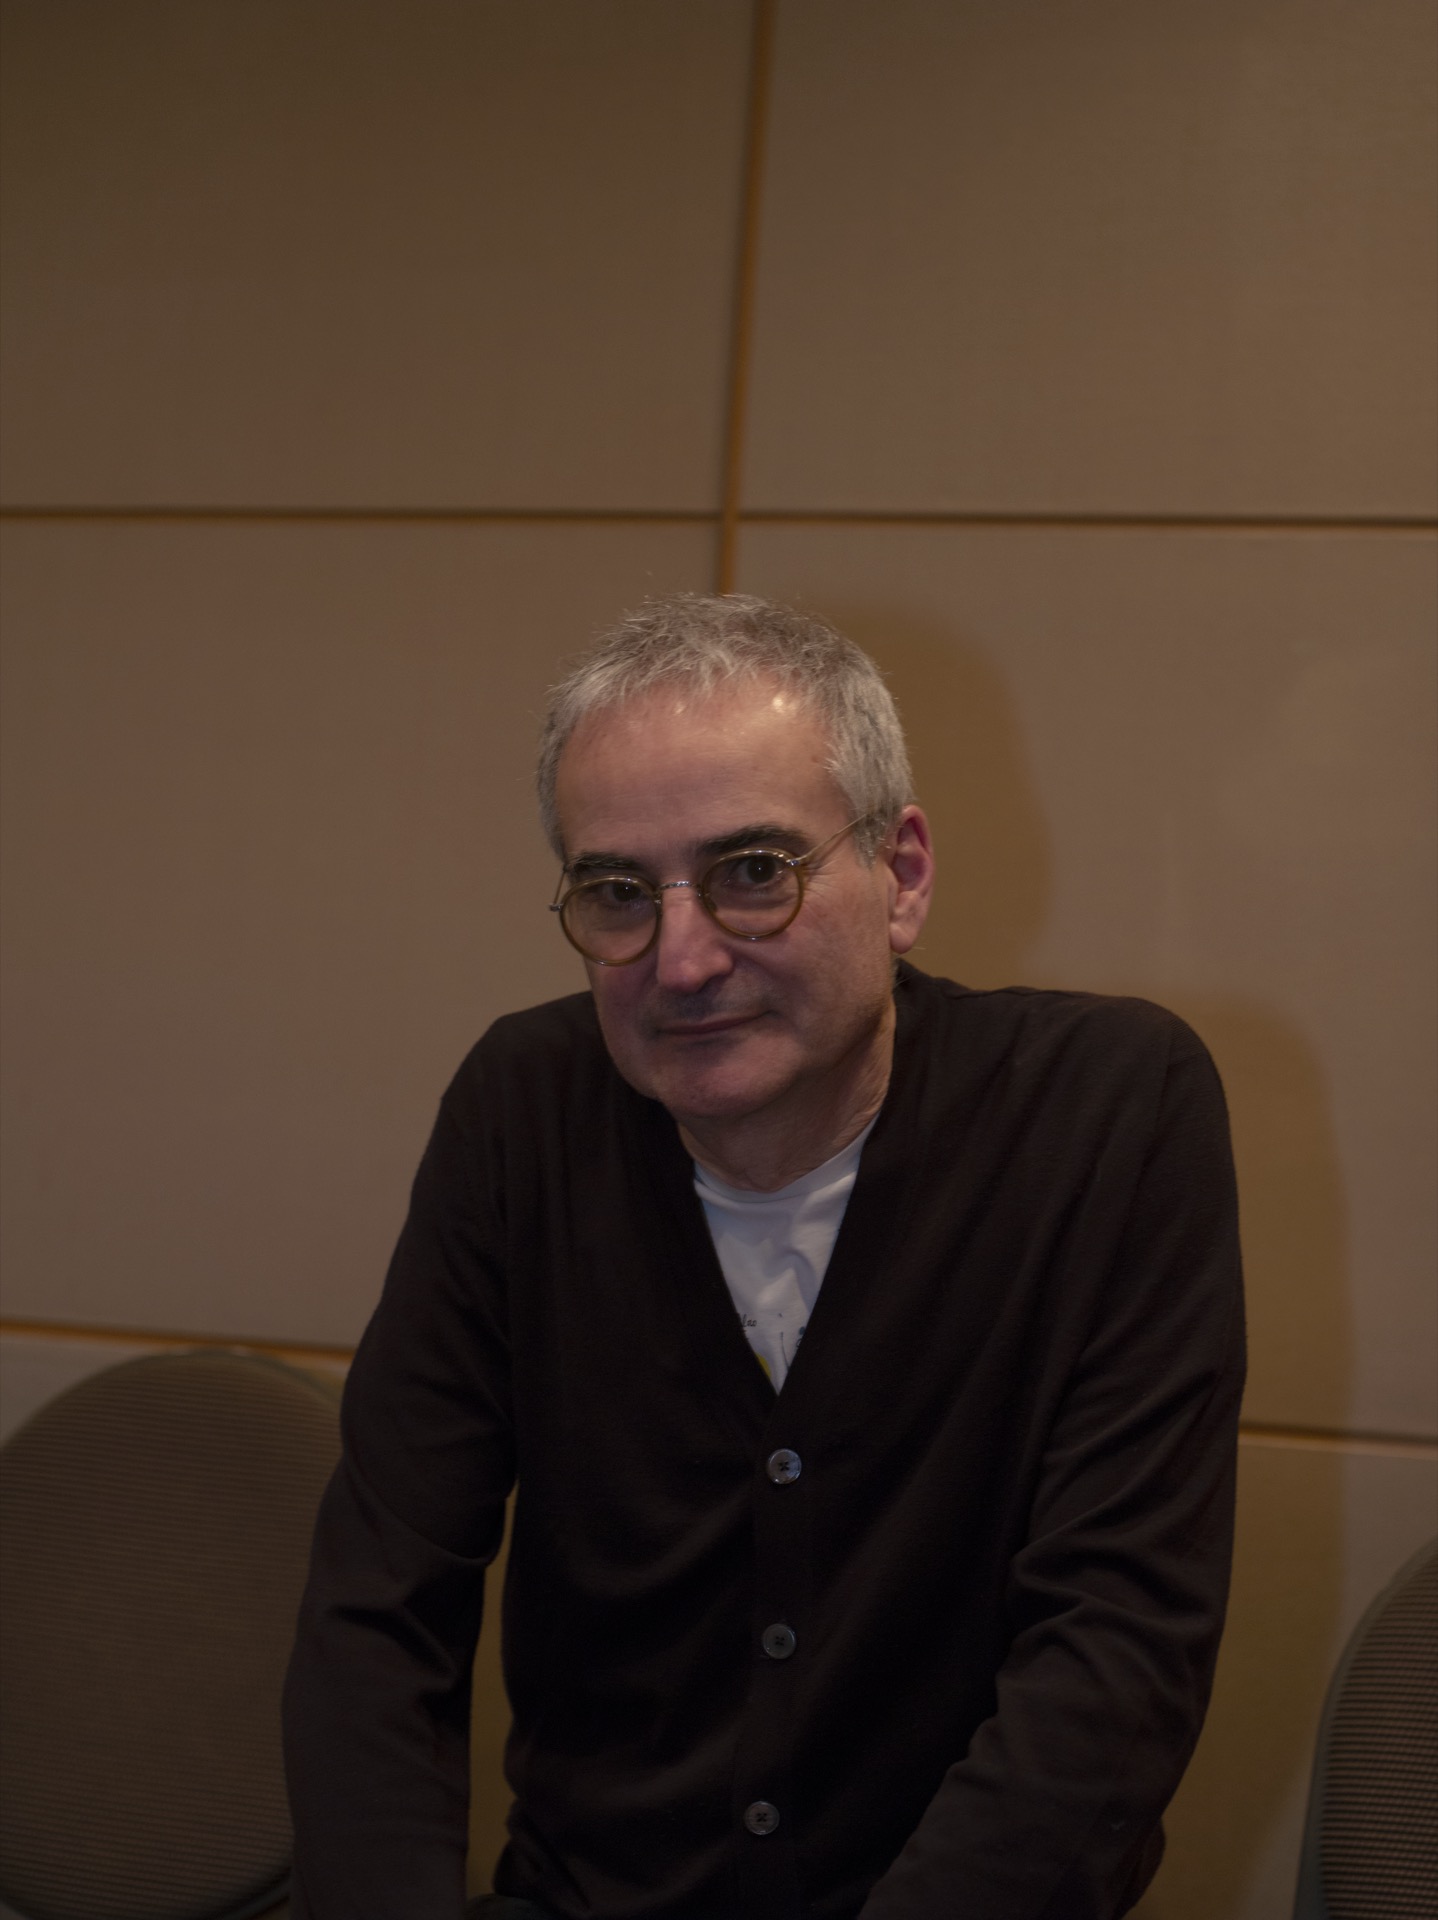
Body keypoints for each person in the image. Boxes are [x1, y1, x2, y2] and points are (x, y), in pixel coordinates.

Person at [283, 593, 1245, 1920]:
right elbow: (379, 1611)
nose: (680, 961)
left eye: (751, 873)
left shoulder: (1107, 1112)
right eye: (618, 893)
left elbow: (1115, 1658)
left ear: (902, 875)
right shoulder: (522, 1110)